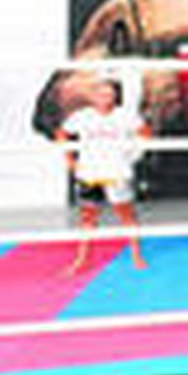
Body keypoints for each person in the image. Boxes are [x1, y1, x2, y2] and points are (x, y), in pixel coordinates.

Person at [54, 75, 150, 276]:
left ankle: (137, 255)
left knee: (127, 215)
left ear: (115, 96)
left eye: (109, 93)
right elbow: (62, 133)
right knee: (88, 217)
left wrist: (133, 155)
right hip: (90, 171)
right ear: (93, 96)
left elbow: (145, 132)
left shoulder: (126, 115)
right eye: (101, 93)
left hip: (117, 172)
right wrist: (70, 159)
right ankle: (81, 259)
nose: (105, 96)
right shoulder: (82, 116)